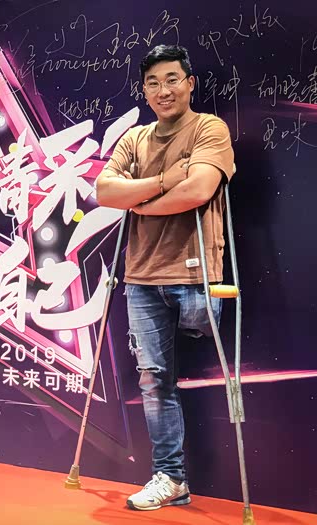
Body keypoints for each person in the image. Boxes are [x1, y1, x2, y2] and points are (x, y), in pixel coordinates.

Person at [95, 45, 235, 511]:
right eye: (153, 83)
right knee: (154, 381)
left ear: (190, 83)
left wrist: (140, 205)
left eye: (172, 79)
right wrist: (160, 182)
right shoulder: (135, 139)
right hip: (141, 277)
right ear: (144, 91)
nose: (163, 90)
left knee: (203, 371)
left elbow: (198, 189)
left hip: (196, 276)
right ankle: (171, 478)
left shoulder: (209, 128)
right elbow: (104, 191)